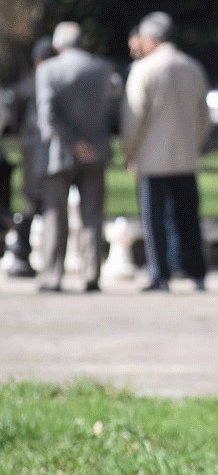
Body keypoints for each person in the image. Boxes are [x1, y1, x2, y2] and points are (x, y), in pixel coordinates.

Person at [122, 12, 212, 292]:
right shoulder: (192, 66)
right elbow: (205, 116)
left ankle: (160, 275)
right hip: (186, 157)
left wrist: (130, 152)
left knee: (155, 221)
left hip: (152, 159)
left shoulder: (144, 69)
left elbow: (133, 117)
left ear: (151, 39)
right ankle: (196, 272)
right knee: (188, 218)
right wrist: (193, 143)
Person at [35, 22, 118, 293]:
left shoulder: (48, 69)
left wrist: (73, 143)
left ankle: (53, 276)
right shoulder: (102, 68)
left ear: (59, 44)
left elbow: (48, 115)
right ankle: (91, 274)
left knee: (55, 216)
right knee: (93, 216)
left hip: (61, 152)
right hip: (96, 151)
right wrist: (88, 143)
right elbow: (111, 109)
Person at [6, 37, 58, 279]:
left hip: (30, 152)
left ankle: (21, 252)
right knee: (53, 206)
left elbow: (13, 121)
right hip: (53, 151)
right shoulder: (59, 81)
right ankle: (43, 256)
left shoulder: (25, 84)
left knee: (30, 204)